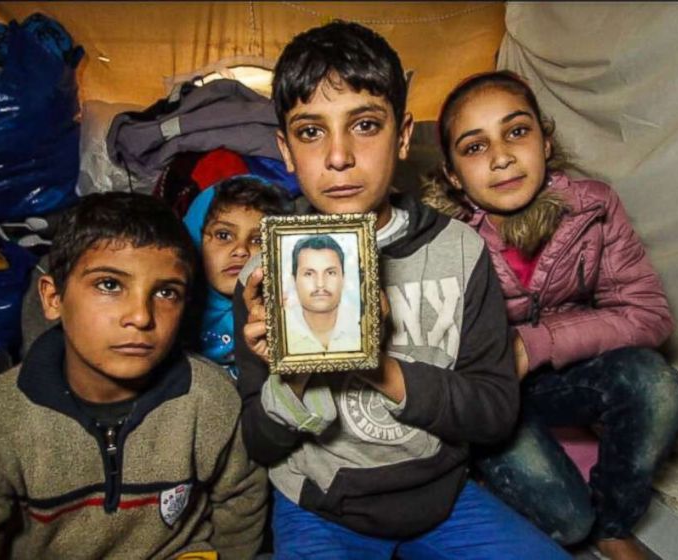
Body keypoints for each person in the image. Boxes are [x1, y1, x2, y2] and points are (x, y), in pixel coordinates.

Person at [234, 21, 569, 559]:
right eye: (311, 131)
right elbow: (258, 441)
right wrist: (293, 378)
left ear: (405, 135)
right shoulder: (264, 269)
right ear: (286, 149)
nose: (339, 156)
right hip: (321, 506)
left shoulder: (460, 251)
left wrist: (378, 364)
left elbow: (495, 412)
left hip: (442, 498)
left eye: (365, 125)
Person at [0, 192, 267, 559]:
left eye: (166, 292)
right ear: (53, 298)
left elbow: (241, 500)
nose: (140, 316)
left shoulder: (212, 401)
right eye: (109, 285)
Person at [434, 70, 678, 560]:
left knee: (655, 385)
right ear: (452, 174)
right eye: (474, 147)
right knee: (570, 523)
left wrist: (536, 343)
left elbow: (648, 314)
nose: (502, 156)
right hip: (492, 398)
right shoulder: (444, 239)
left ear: (545, 141)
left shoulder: (592, 208)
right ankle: (491, 475)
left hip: (563, 375)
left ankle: (614, 525)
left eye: (516, 132)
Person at [183, 174, 293, 378]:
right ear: (195, 241)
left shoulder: (290, 314)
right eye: (223, 235)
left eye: (259, 240)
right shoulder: (174, 314)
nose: (241, 250)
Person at [285, 234, 361, 354]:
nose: (320, 284)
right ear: (294, 280)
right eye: (309, 274)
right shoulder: (281, 332)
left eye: (330, 273)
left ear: (343, 278)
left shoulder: (363, 328)